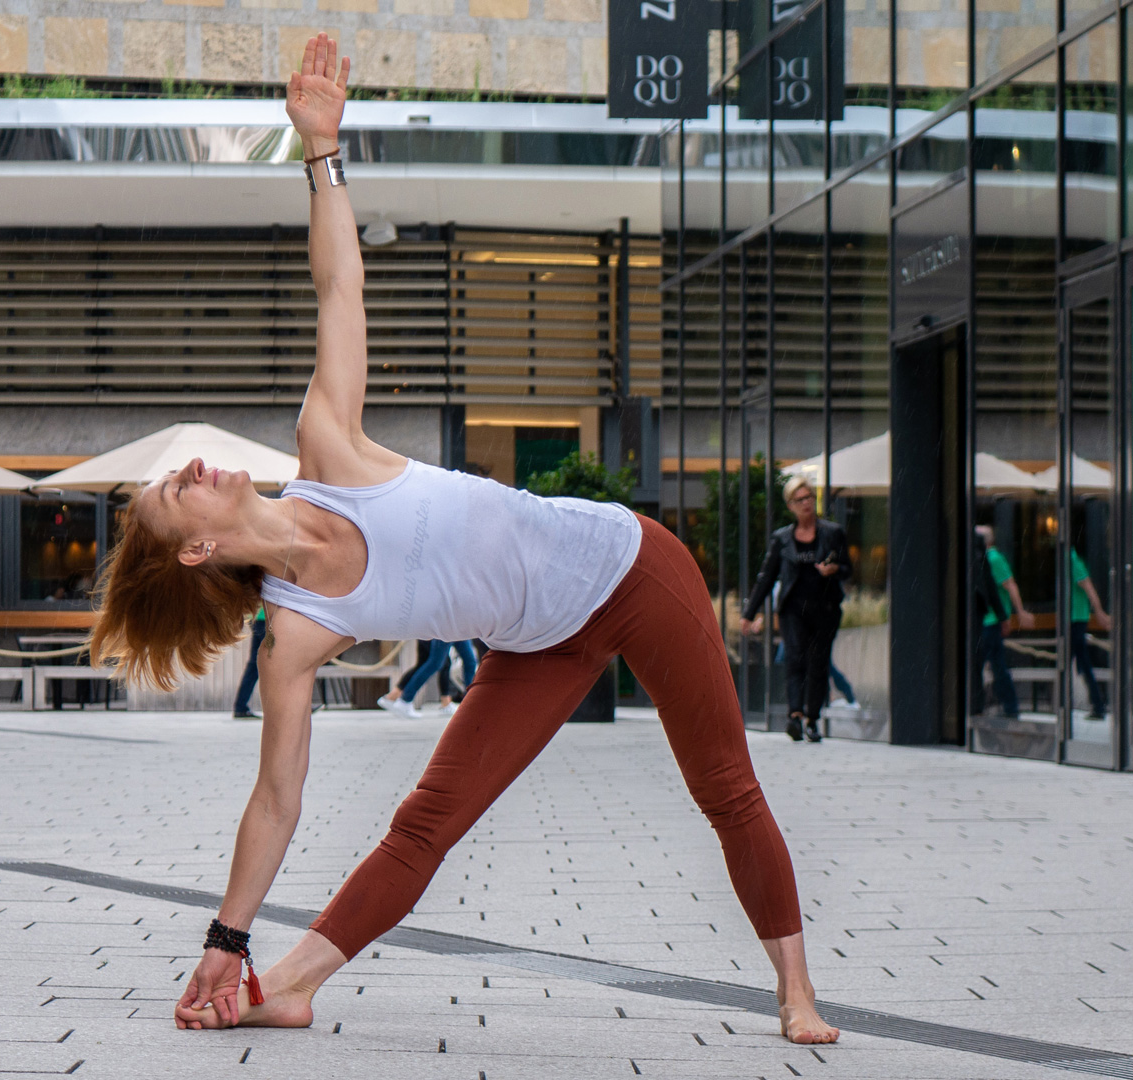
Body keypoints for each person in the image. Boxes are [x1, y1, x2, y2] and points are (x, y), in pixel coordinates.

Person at [88, 35, 836, 1046]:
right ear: (192, 552)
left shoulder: (328, 446)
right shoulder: (295, 638)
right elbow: (275, 801)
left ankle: (797, 992)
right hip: (537, 643)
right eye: (176, 491)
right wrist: (228, 936)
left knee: (724, 785)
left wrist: (320, 154)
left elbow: (338, 290)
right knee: (425, 823)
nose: (193, 468)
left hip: (629, 568)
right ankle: (298, 981)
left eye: (179, 469)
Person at [738, 478, 852, 743]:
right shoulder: (782, 539)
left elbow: (848, 568)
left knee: (818, 663)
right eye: (800, 499)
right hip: (792, 609)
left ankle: (813, 719)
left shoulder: (832, 533)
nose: (807, 503)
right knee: (795, 659)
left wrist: (834, 570)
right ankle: (795, 716)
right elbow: (766, 578)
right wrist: (749, 613)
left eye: (809, 497)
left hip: (824, 608)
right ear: (791, 505)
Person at [974, 525, 1034, 718]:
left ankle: (1006, 707)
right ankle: (1007, 707)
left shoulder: (993, 558)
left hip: (990, 622)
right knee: (994, 665)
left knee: (991, 666)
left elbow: (1009, 585)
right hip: (986, 621)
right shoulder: (980, 558)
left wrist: (1019, 612)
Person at [377, 639, 478, 717]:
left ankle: (469, 702)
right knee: (435, 663)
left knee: (470, 661)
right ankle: (405, 698)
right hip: (444, 624)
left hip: (458, 625)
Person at [1067, 547, 1110, 719]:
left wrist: (1099, 612)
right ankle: (1096, 704)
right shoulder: (1069, 559)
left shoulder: (1072, 560)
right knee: (1081, 663)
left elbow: (1088, 587)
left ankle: (1098, 705)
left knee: (1082, 662)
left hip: (1076, 619)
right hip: (1072, 618)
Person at [231, 605, 265, 719]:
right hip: (266, 618)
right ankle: (297, 705)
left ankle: (240, 707)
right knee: (281, 663)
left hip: (256, 616)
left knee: (254, 665)